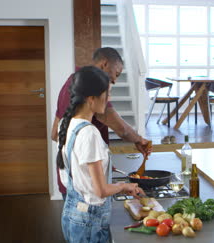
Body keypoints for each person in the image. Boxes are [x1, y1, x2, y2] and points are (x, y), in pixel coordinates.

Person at [58, 66, 145, 243]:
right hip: (90, 221)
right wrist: (125, 186)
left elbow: (73, 171)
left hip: (72, 214)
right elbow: (100, 190)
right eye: (107, 94)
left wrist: (101, 169)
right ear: (91, 99)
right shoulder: (90, 133)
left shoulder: (68, 122)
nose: (109, 99)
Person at [51, 47, 151, 198]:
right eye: (116, 74)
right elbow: (122, 129)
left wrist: (96, 162)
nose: (115, 81)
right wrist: (139, 140)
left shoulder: (73, 83)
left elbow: (54, 134)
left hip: (72, 185)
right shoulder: (94, 95)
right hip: (88, 193)